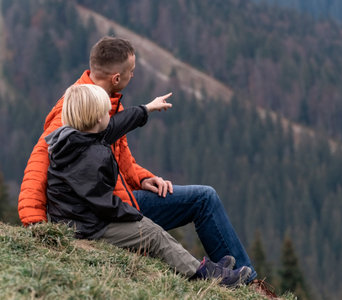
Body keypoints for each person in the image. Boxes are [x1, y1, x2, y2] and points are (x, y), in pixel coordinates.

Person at [18, 36, 271, 290]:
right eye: (132, 71)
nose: (134, 75)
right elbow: (37, 167)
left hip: (114, 203)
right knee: (158, 229)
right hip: (102, 214)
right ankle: (229, 281)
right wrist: (38, 227)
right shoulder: (74, 112)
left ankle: (242, 278)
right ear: (117, 78)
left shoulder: (105, 107)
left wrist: (142, 177)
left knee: (204, 198)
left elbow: (121, 158)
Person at [45, 83, 251, 286]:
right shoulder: (91, 155)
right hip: (86, 227)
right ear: (98, 118)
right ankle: (204, 274)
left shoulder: (73, 138)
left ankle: (208, 268)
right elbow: (103, 204)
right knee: (152, 233)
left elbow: (118, 124)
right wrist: (134, 215)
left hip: (74, 219)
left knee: (150, 228)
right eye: (107, 112)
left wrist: (146, 109)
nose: (111, 116)